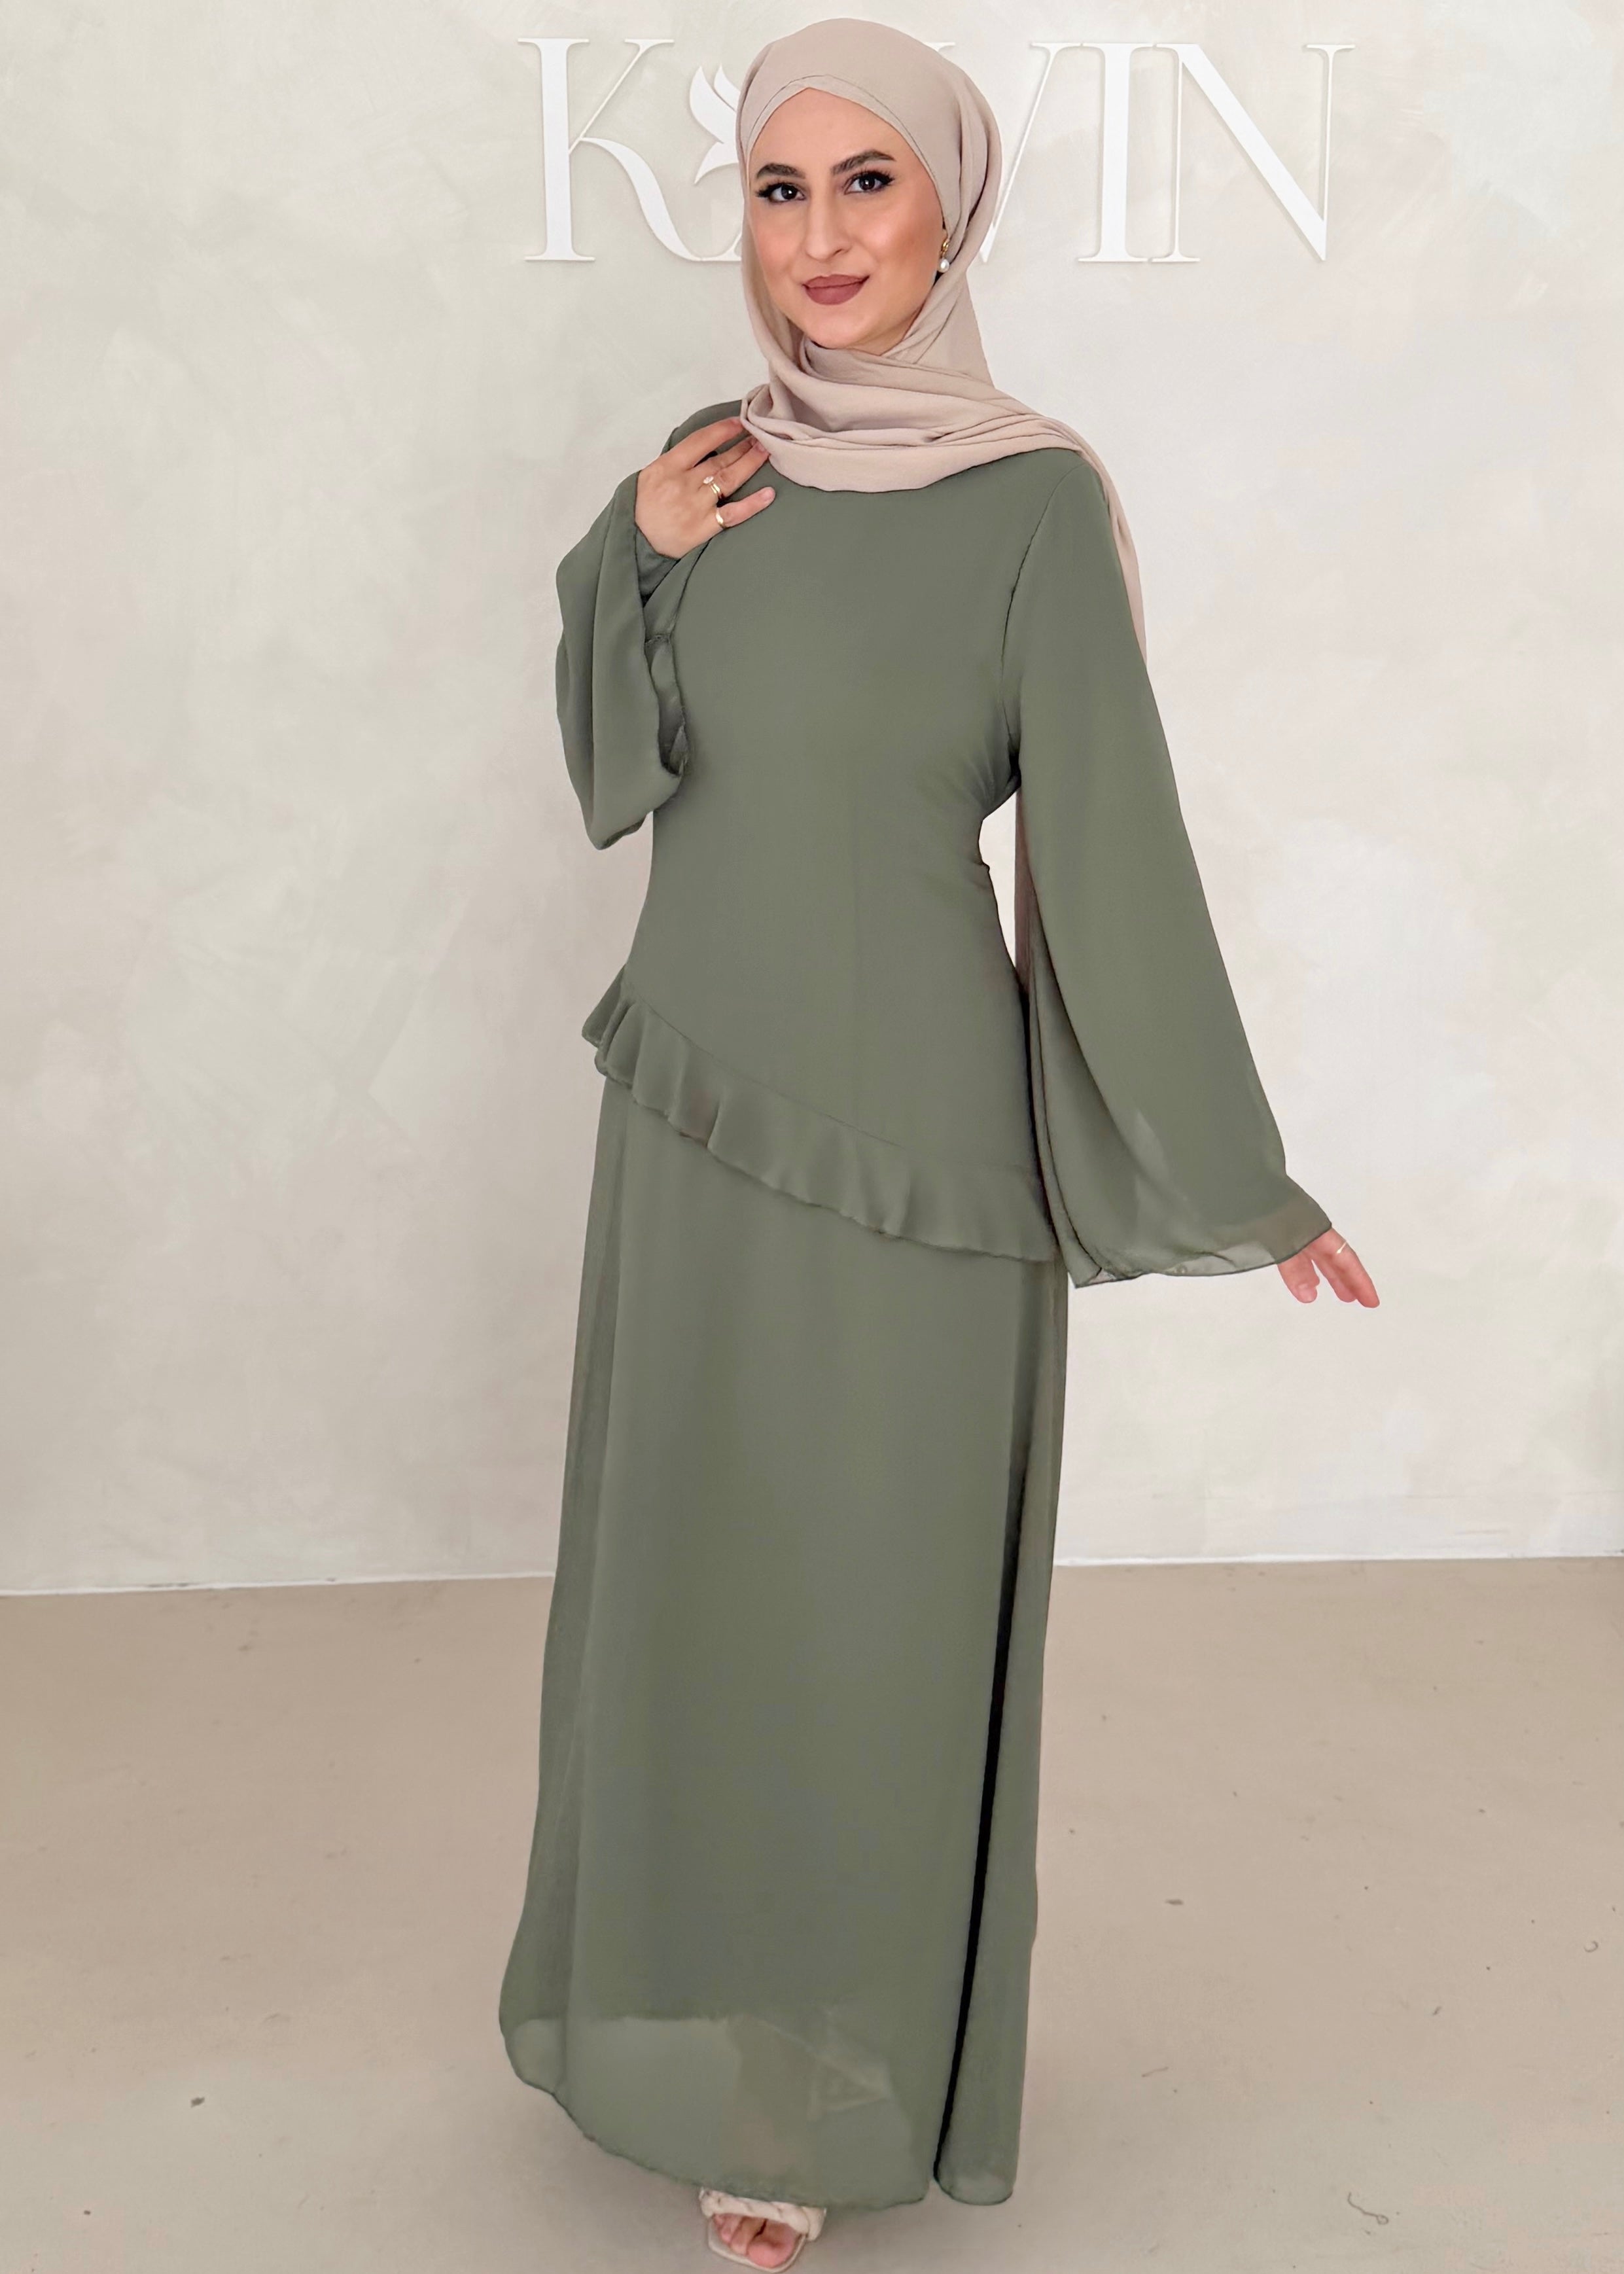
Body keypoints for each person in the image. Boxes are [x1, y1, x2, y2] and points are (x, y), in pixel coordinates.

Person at [498, 17, 1380, 2269]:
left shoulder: (1030, 501)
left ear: (949, 209)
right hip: (689, 1114)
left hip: (914, 1155)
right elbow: (618, 764)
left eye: (867, 183)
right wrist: (627, 549)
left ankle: (828, 2084)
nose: (821, 238)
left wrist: (1231, 1168)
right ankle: (691, 2031)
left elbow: (1108, 846)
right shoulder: (705, 470)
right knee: (692, 1593)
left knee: (865, 1613)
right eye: (779, 190)